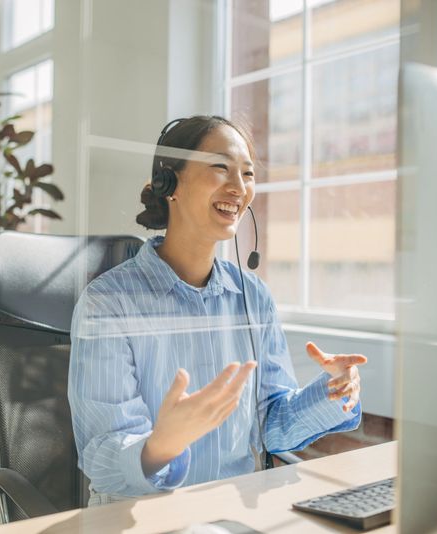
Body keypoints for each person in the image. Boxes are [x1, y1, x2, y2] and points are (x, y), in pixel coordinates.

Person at [68, 115, 367, 506]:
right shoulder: (108, 302)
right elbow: (102, 454)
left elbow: (270, 427)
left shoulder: (253, 296)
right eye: (220, 168)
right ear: (169, 183)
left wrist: (333, 392)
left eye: (247, 174)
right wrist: (161, 446)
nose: (239, 188)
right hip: (144, 515)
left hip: (233, 511)